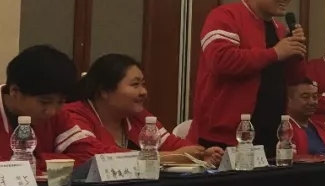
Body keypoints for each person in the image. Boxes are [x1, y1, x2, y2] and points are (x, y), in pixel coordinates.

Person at [191, 0, 307, 157]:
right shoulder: (225, 16)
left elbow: (294, 80)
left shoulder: (279, 30)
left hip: (272, 137)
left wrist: (295, 53)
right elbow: (220, 60)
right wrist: (275, 53)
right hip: (226, 139)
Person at [62, 54, 222, 165]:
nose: (143, 92)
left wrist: (202, 154)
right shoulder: (73, 115)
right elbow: (95, 157)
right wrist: (174, 157)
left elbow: (173, 145)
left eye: (143, 84)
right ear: (104, 91)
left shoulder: (137, 116)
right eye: (135, 85)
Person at [0, 45, 94, 166]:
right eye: (44, 102)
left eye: (61, 102)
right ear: (15, 91)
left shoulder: (56, 114)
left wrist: (35, 162)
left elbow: (88, 156)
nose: (52, 111)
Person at [285, 79, 325, 156]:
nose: (312, 102)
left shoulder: (322, 127)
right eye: (305, 97)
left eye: (315, 97)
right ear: (288, 101)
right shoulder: (284, 131)